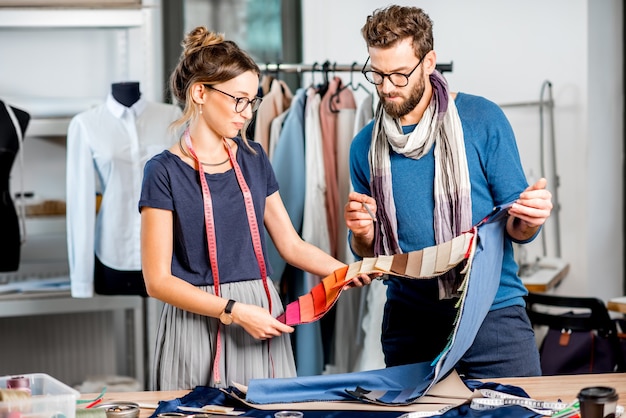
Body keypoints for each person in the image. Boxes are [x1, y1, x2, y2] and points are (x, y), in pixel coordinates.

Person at [139, 27, 373, 390]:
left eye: (253, 102)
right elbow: (157, 281)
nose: (247, 113)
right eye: (239, 100)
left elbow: (291, 245)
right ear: (200, 92)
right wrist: (232, 311)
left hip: (261, 315)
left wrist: (343, 271)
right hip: (198, 322)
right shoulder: (163, 171)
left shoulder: (254, 159)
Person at [344, 5, 553, 379]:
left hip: (493, 315)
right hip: (410, 324)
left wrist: (530, 219)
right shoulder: (364, 147)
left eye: (399, 74)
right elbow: (368, 249)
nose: (387, 87)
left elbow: (518, 230)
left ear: (429, 63)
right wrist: (361, 234)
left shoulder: (483, 120)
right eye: (376, 75)